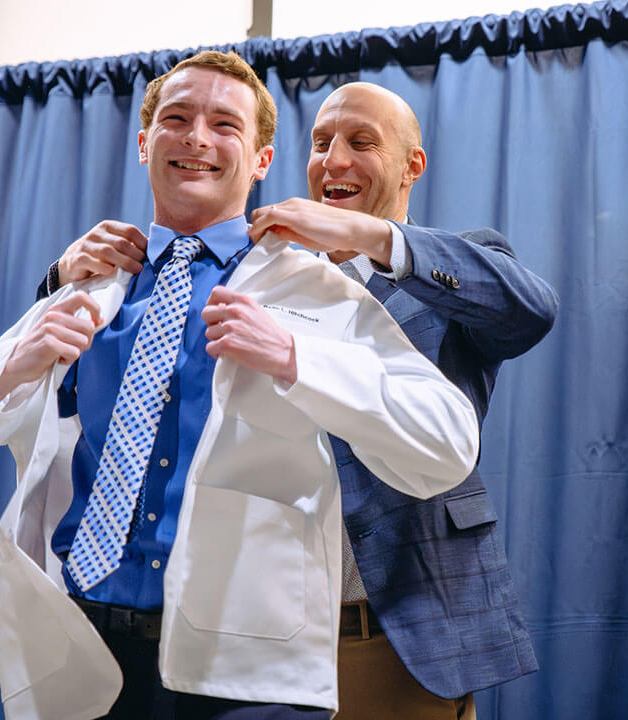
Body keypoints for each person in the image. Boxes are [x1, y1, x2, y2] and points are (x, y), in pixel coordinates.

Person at [0, 51, 480, 720]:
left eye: (225, 124)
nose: (198, 138)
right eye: (177, 118)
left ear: (261, 159)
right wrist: (12, 365)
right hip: (86, 662)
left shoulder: (312, 292)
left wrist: (295, 359)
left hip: (245, 675)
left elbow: (447, 443)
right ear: (145, 144)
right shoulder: (89, 284)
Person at [43, 82, 558, 720]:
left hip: (391, 633)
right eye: (320, 143)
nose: (333, 159)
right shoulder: (262, 277)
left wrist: (372, 237)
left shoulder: (449, 272)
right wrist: (59, 283)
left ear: (412, 166)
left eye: (361, 142)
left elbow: (530, 312)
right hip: (247, 637)